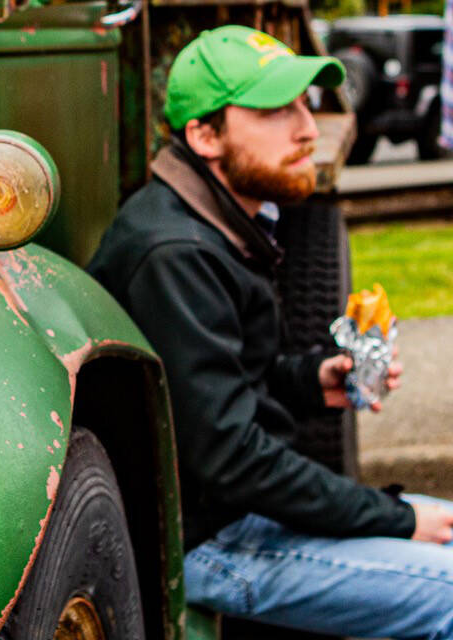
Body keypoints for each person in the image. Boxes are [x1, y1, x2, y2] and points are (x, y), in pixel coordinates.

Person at [88, 25, 453, 638]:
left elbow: (210, 396)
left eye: (304, 105)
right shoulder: (176, 253)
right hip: (207, 544)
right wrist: (392, 517)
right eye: (275, 111)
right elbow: (230, 459)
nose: (308, 129)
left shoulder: (215, 221)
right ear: (205, 136)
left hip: (237, 515)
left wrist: (312, 380)